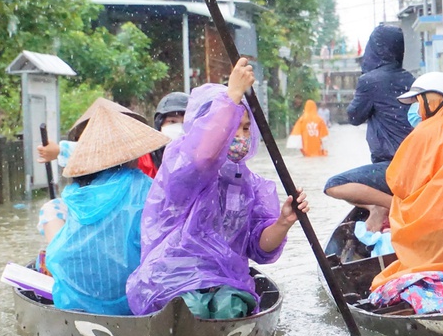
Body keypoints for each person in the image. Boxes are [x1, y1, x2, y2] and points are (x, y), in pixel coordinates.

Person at [126, 58, 309, 317]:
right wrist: (232, 95)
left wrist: (283, 222)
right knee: (190, 310)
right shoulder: (181, 164)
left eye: (246, 128)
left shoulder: (250, 186)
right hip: (171, 280)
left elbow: (259, 248)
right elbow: (204, 157)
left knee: (231, 307)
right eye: (232, 128)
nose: (241, 137)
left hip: (226, 284)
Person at [366, 72, 443, 314]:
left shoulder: (426, 132)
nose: (417, 108)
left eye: (419, 101)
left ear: (433, 100)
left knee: (399, 204)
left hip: (430, 232)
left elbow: (398, 182)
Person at [42, 105, 171, 315]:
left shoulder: (75, 193)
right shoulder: (146, 187)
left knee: (50, 211)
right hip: (131, 302)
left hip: (76, 300)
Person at [324, 25, 414, 231]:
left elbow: (354, 116)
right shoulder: (412, 80)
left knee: (334, 185)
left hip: (392, 167)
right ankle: (380, 207)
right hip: (415, 166)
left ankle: (393, 206)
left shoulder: (370, 81)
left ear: (374, 49)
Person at [138, 91, 189, 178]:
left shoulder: (199, 160)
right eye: (172, 121)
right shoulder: (144, 159)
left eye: (186, 123)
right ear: (159, 124)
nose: (180, 129)